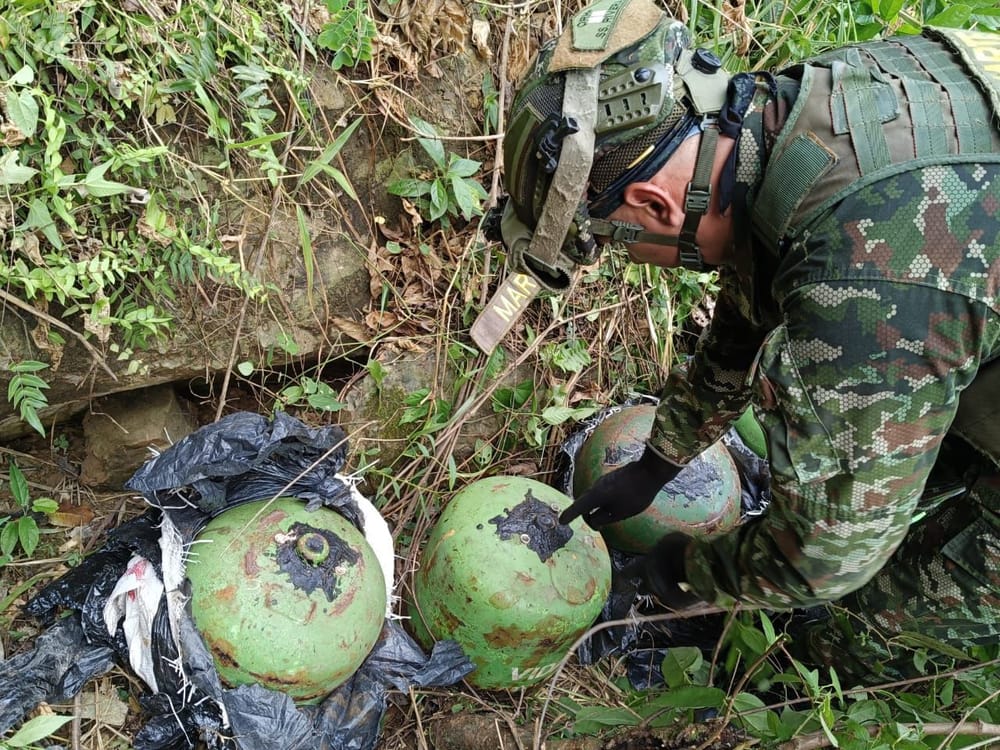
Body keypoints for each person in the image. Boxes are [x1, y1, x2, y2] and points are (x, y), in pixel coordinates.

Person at [492, 0, 1000, 682]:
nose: (634, 258)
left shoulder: (859, 284)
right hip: (956, 295)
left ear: (655, 205)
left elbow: (826, 560)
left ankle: (795, 689)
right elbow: (750, 297)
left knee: (869, 621)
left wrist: (687, 572)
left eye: (617, 244)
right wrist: (659, 463)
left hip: (924, 296)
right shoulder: (801, 121)